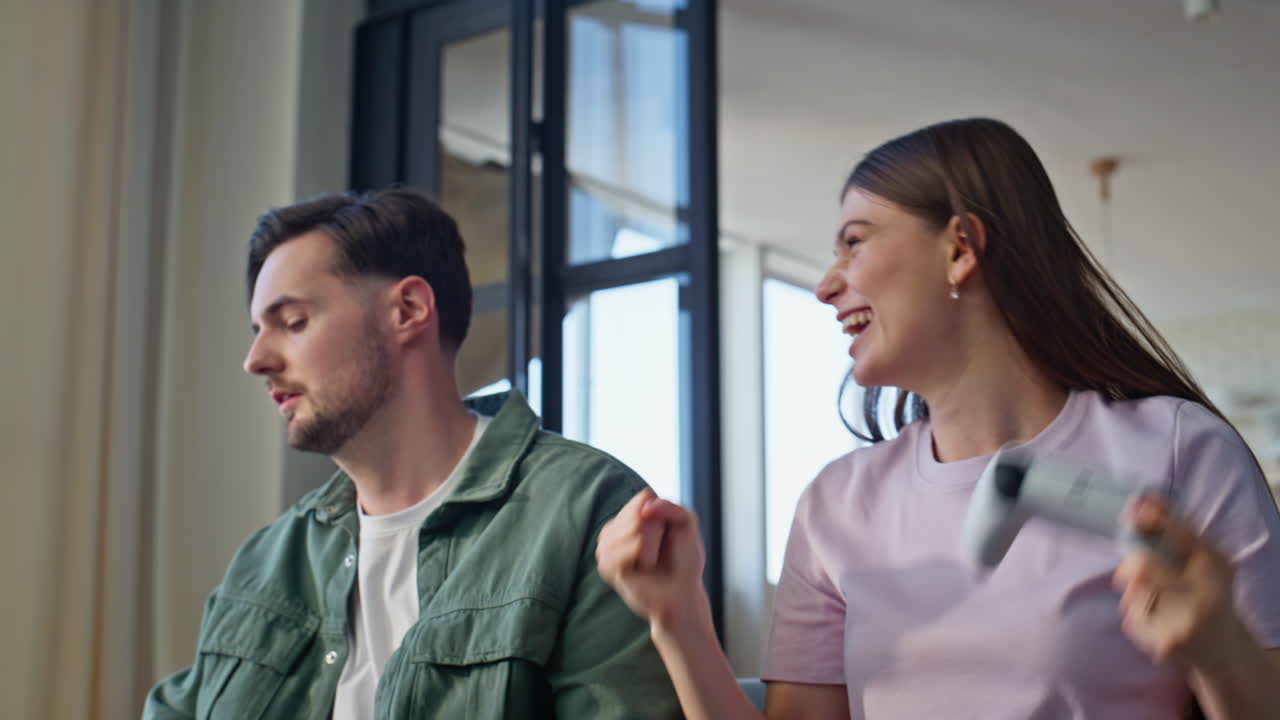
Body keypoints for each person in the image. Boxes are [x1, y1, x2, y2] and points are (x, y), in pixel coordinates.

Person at [596, 117, 1280, 719]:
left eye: (854, 242)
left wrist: (1221, 653)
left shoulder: (1180, 450)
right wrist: (676, 617)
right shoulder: (836, 506)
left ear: (959, 247)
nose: (826, 283)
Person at [143, 189, 679, 719]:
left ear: (409, 309)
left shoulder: (587, 512)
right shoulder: (265, 563)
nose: (255, 360)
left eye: (293, 322)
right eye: (258, 330)